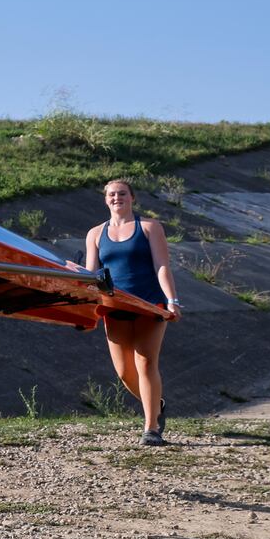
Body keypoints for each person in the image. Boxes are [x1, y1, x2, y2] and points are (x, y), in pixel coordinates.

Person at [83, 179, 182, 446]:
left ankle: (151, 427)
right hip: (114, 306)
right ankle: (156, 405)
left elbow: (162, 266)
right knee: (125, 372)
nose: (117, 198)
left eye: (122, 194)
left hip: (150, 303)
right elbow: (92, 275)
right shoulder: (95, 233)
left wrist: (171, 299)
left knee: (146, 362)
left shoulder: (149, 227)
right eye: (112, 194)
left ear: (132, 198)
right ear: (106, 200)